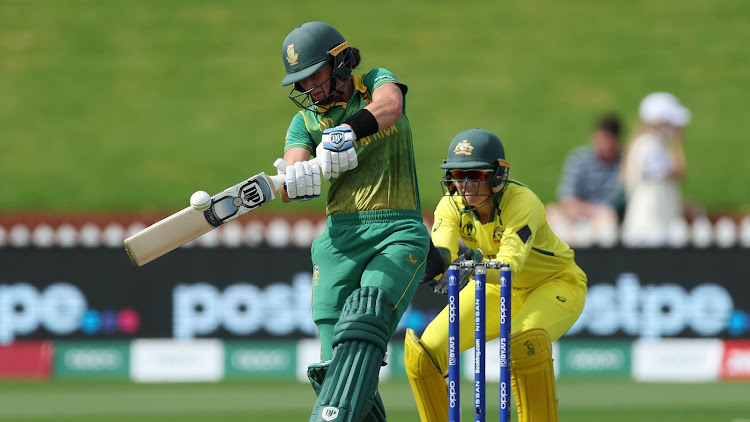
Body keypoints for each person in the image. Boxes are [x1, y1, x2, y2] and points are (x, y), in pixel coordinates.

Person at [274, 21, 430, 422]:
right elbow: (291, 173)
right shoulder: (305, 123)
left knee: (366, 319)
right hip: (338, 240)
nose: (310, 88)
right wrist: (296, 175)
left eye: (315, 76)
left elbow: (390, 107)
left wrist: (345, 133)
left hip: (396, 230)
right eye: (302, 82)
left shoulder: (375, 82)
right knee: (333, 368)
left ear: (340, 62)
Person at [404, 128, 588, 422]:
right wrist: (431, 264)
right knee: (424, 353)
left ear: (497, 176)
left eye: (474, 175)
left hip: (553, 284)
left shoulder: (522, 202)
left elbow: (509, 267)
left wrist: (472, 263)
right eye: (456, 176)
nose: (463, 185)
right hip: (490, 286)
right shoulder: (450, 206)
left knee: (525, 346)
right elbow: (443, 251)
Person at [620, 92, 691, 245]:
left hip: (655, 225)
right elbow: (678, 173)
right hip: (649, 227)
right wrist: (677, 144)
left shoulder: (651, 144)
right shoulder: (650, 146)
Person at [545, 113, 625, 243]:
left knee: (606, 226)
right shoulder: (579, 160)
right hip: (580, 214)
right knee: (551, 215)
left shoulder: (623, 164)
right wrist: (589, 212)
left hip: (607, 217)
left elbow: (614, 206)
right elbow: (568, 199)